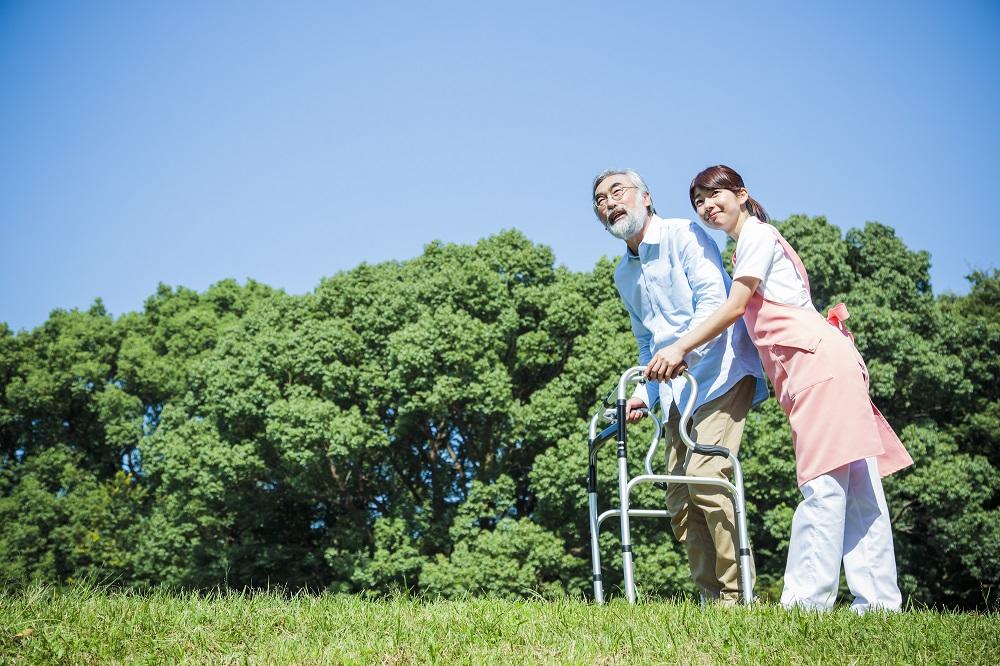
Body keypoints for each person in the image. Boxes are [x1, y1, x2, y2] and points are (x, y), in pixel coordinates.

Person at [646, 164, 914, 612]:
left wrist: (679, 348)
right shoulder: (752, 243)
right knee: (861, 490)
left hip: (817, 366)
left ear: (742, 194)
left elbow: (734, 307)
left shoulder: (757, 236)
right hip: (828, 362)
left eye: (715, 195)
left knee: (823, 486)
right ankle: (880, 603)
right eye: (698, 202)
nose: (707, 207)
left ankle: (806, 604)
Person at [592, 169, 768, 605]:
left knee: (707, 477)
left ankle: (738, 600)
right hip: (675, 390)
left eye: (619, 192)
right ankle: (712, 603)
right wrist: (643, 395)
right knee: (680, 499)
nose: (610, 202)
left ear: (646, 198)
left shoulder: (683, 234)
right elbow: (647, 341)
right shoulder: (623, 274)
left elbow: (715, 299)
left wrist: (683, 353)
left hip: (720, 370)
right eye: (600, 200)